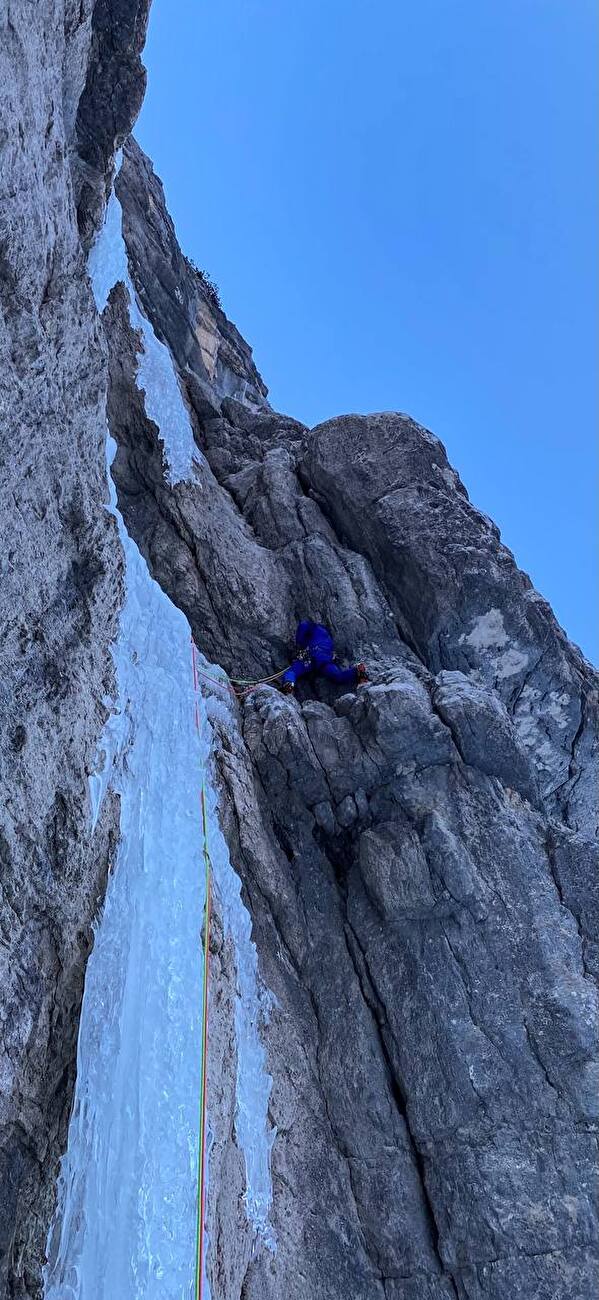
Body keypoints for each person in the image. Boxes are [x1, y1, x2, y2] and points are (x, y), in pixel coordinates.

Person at [280, 619, 368, 695]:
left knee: (293, 670)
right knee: (338, 676)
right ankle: (357, 670)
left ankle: (289, 683)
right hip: (325, 659)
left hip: (312, 656)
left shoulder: (311, 627)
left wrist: (300, 646)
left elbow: (303, 626)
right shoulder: (326, 637)